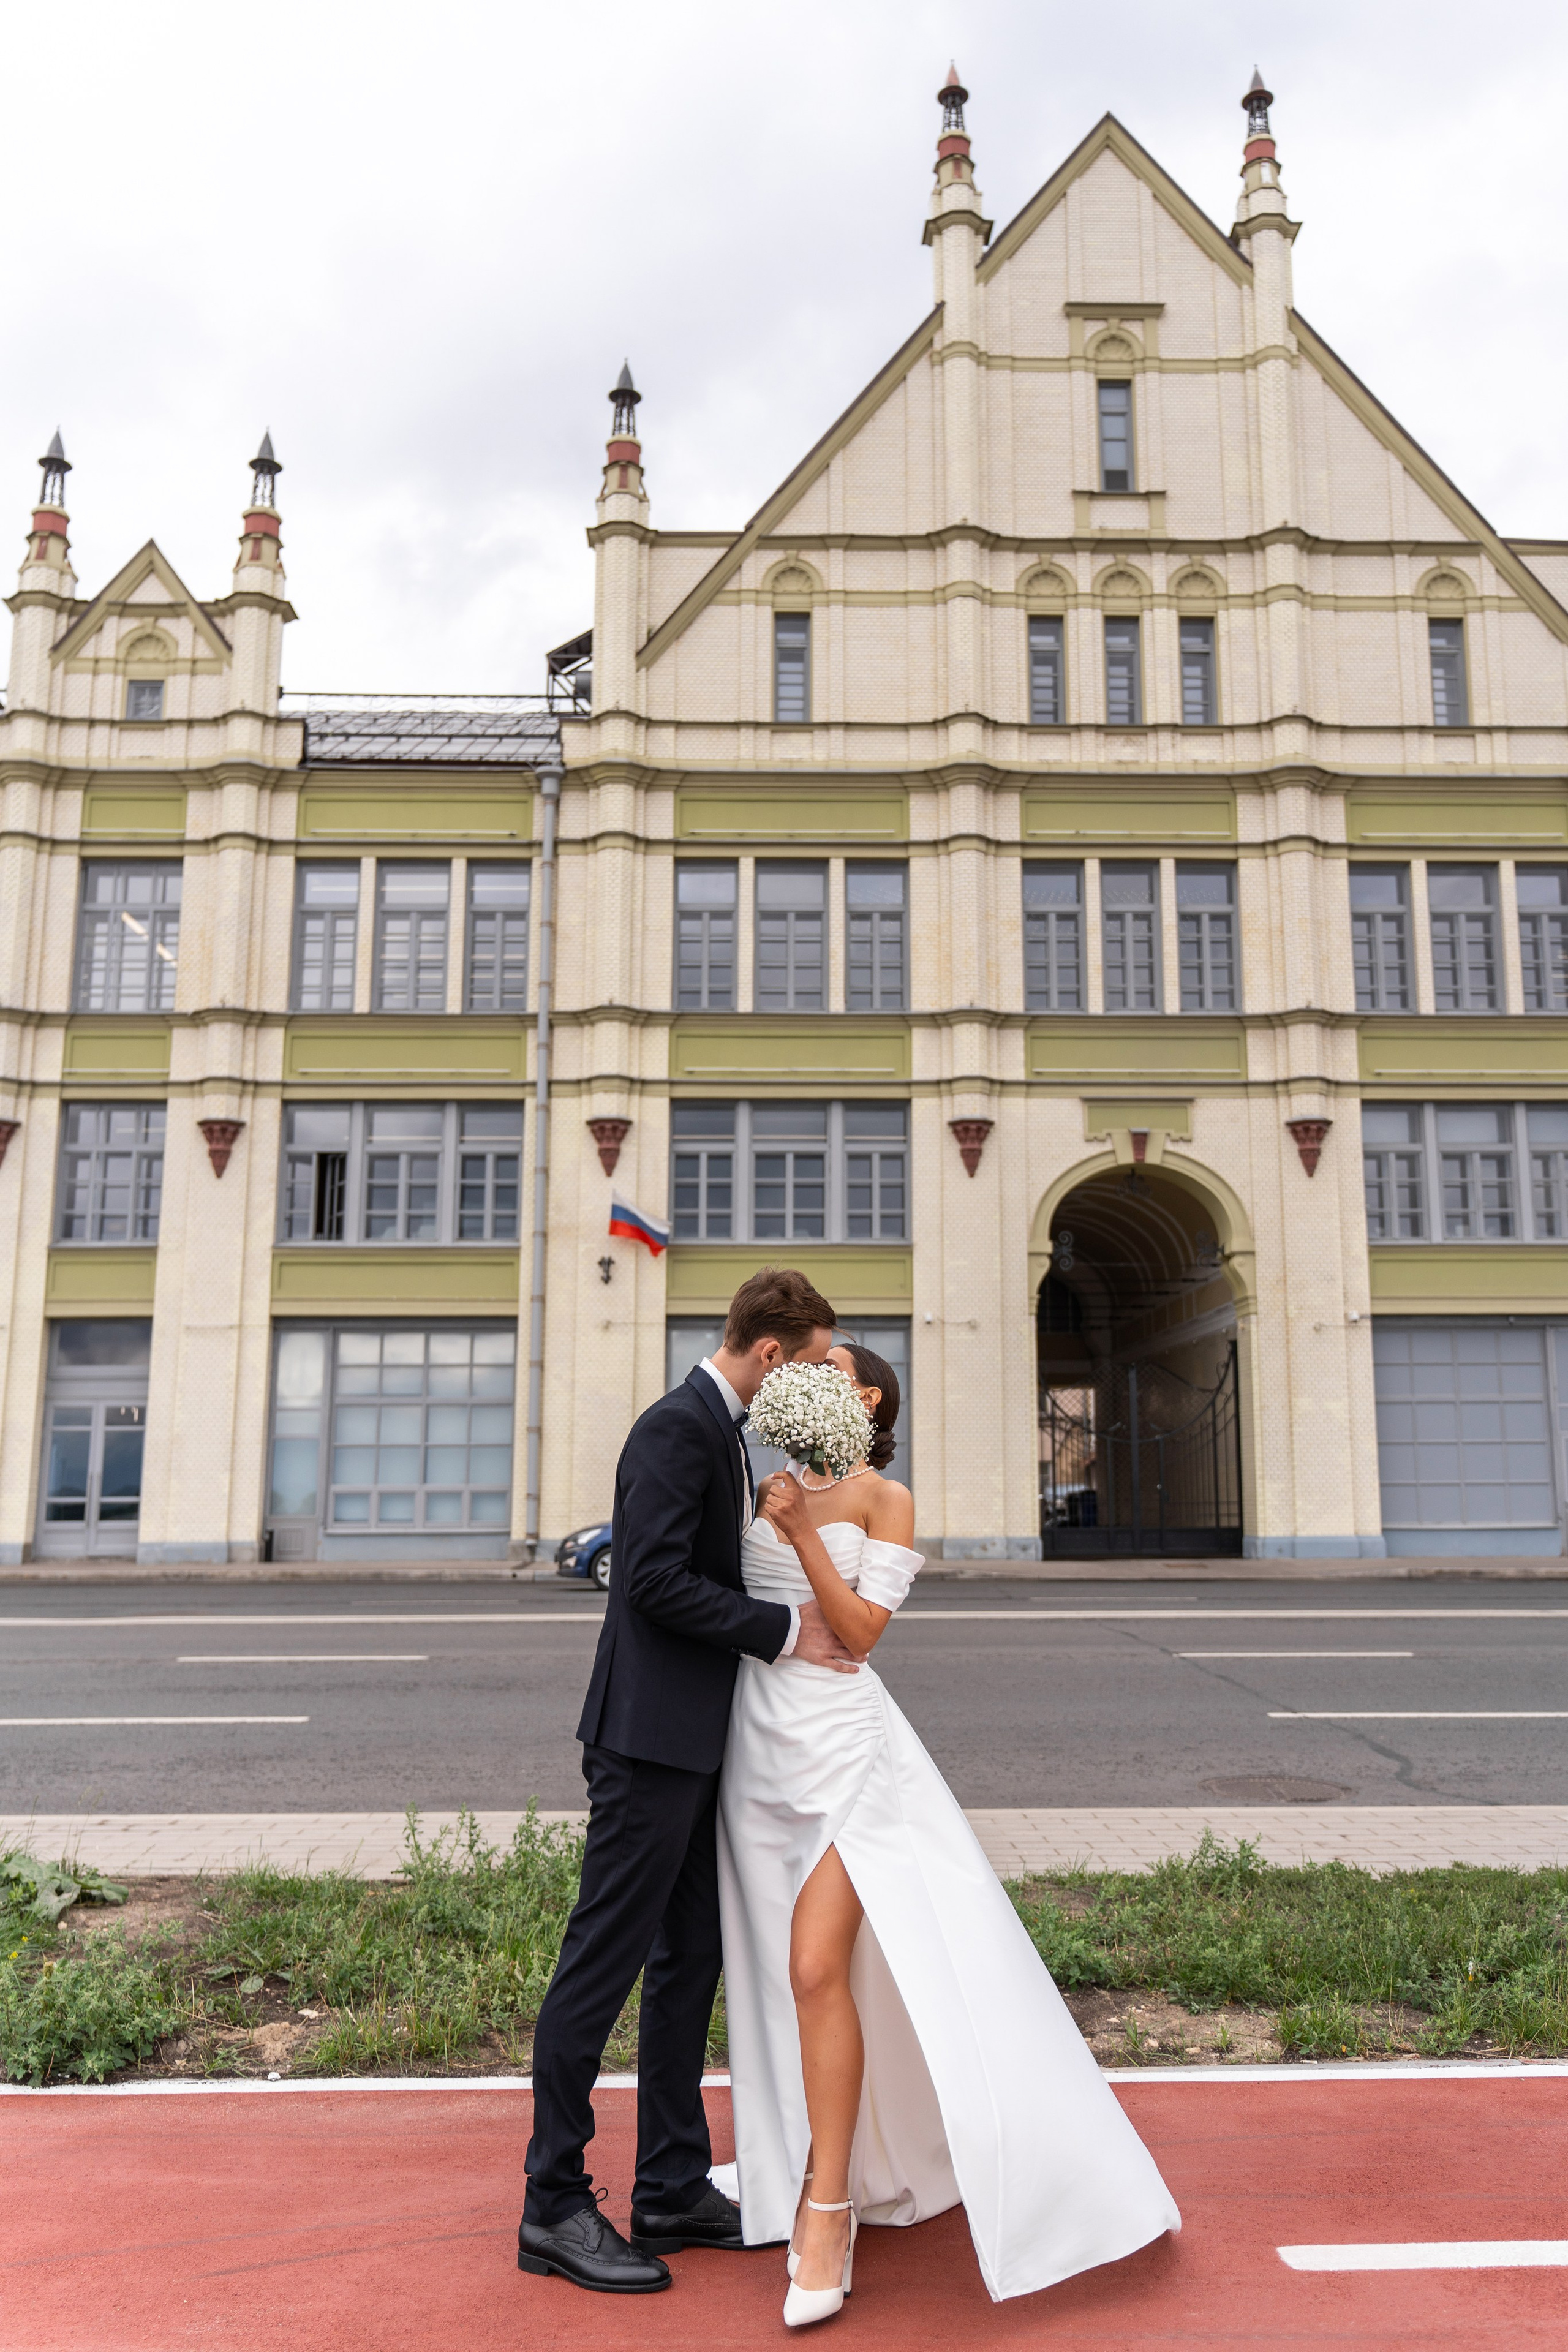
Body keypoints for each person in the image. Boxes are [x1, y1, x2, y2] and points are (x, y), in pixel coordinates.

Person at [717, 1341, 1180, 2326]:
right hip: (757, 1752)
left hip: (847, 1751)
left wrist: (802, 1538)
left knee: (812, 1967)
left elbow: (862, 1633)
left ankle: (828, 2211)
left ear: (870, 1394)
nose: (813, 1370)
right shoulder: (768, 1477)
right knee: (783, 1974)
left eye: (833, 1365)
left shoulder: (887, 1500)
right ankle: (792, 2150)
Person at [518, 1267, 857, 2294]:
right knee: (603, 1963)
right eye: (811, 1365)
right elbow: (653, 1579)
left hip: (694, 1746)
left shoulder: (724, 1430)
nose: (818, 1384)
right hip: (645, 1744)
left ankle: (669, 2181)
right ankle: (553, 2205)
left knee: (687, 1960)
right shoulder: (677, 1429)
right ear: (770, 1356)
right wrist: (786, 1630)